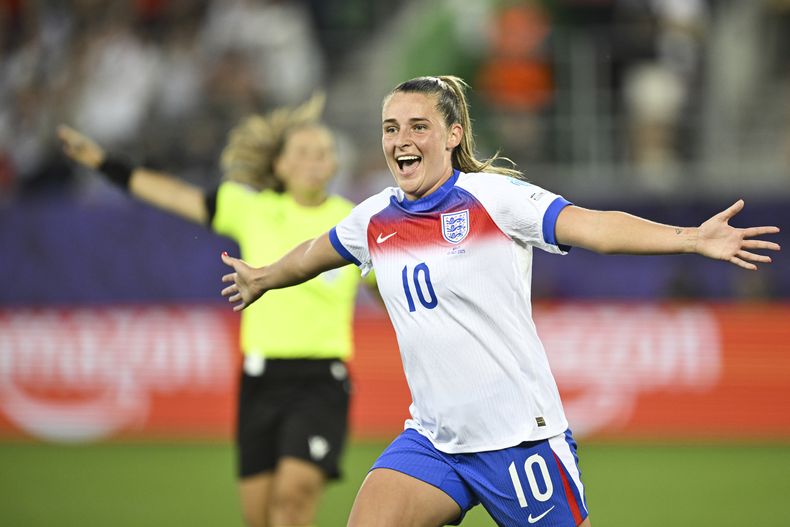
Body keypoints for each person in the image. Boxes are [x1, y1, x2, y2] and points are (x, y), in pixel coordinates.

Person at [219, 76, 781, 527]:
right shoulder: (375, 217)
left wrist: (691, 237)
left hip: (520, 439)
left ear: (454, 135)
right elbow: (320, 250)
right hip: (435, 440)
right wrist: (265, 277)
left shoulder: (494, 200)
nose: (401, 140)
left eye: (419, 126)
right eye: (391, 128)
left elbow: (593, 227)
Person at [57, 94, 377, 527]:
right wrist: (102, 162)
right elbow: (172, 195)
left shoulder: (354, 224)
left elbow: (388, 289)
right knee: (258, 517)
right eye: (302, 152)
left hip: (321, 381)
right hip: (260, 382)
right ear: (279, 165)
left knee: (292, 501)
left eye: (324, 153)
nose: (315, 161)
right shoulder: (251, 209)